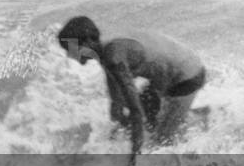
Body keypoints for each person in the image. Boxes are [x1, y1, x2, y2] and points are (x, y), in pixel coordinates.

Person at [57, 16, 206, 158]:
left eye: (70, 49)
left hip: (187, 78)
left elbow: (136, 111)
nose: (69, 55)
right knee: (146, 123)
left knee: (161, 143)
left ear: (88, 42)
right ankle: (194, 119)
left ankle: (199, 136)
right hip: (173, 72)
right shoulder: (106, 50)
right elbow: (117, 106)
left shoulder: (114, 58)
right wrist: (113, 135)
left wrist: (135, 156)